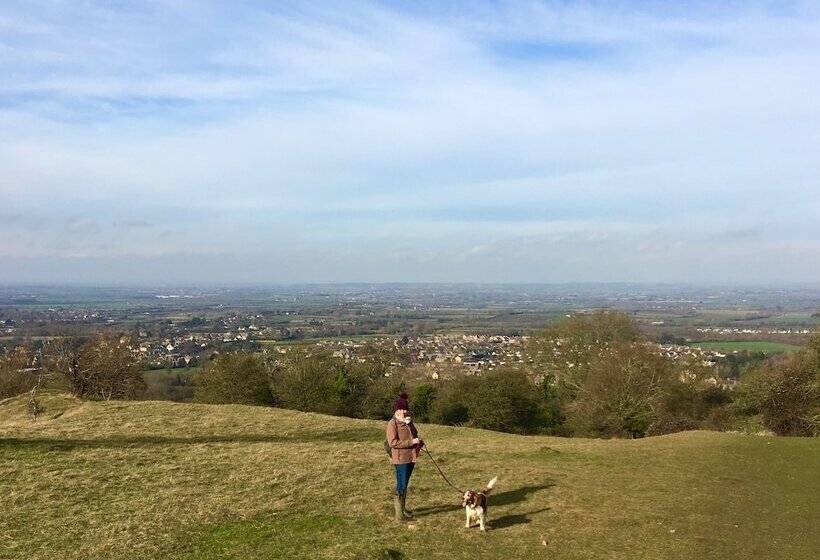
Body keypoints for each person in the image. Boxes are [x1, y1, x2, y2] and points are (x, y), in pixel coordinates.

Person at [386, 392, 423, 522]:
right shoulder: (392, 424)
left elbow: (415, 434)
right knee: (401, 485)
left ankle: (402, 509)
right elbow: (392, 443)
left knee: (405, 484)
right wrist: (411, 442)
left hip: (411, 457)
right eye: (400, 409)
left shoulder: (408, 422)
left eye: (405, 409)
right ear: (396, 410)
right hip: (400, 459)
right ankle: (399, 516)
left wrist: (416, 436)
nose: (403, 411)